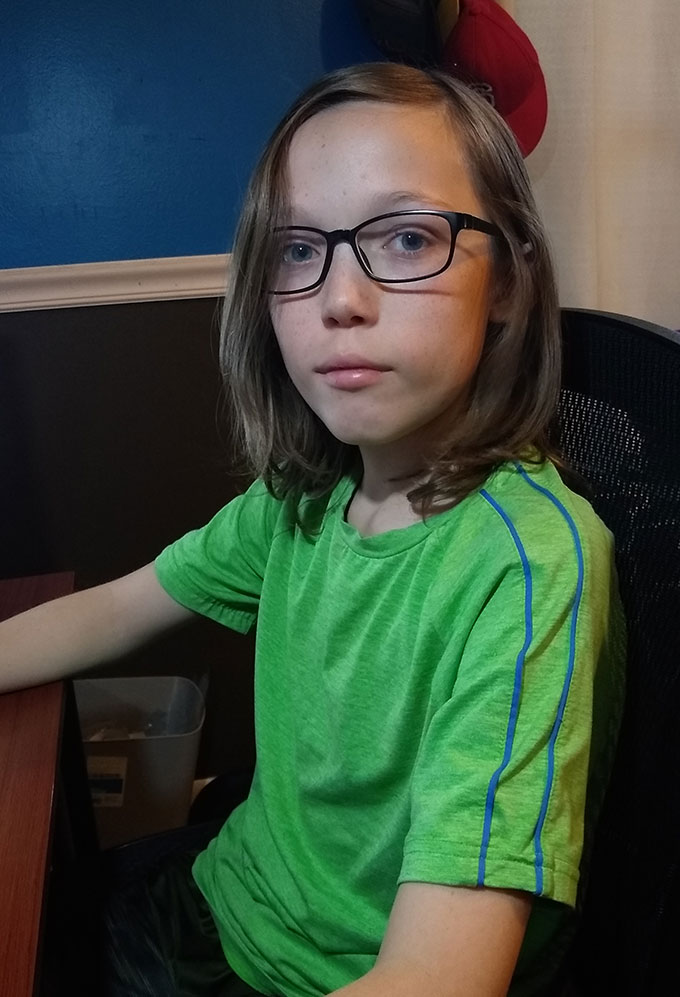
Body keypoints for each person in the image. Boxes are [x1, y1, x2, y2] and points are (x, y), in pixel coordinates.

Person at [0, 63, 625, 997]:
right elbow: (113, 611)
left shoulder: (527, 564)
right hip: (222, 897)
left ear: (507, 280)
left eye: (408, 237)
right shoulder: (302, 499)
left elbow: (439, 977)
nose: (340, 297)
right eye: (298, 249)